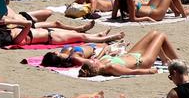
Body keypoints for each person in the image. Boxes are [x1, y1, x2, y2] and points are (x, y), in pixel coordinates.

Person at [38, 30, 180, 77]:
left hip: (131, 54)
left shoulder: (100, 63)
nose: (92, 60)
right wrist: (149, 71)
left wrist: (107, 51)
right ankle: (179, 63)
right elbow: (129, 72)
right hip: (142, 60)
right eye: (91, 63)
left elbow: (99, 57)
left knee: (153, 33)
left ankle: (166, 60)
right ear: (94, 68)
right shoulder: (109, 68)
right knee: (160, 36)